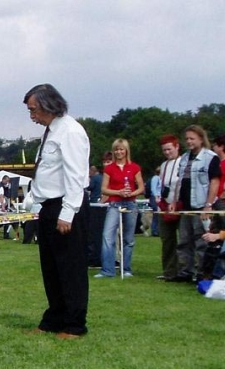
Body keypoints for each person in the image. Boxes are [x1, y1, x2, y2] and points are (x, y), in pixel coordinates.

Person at [24, 83, 90, 339]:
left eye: (34, 110)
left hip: (66, 207)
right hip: (48, 207)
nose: (32, 117)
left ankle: (75, 325)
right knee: (51, 269)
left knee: (70, 269)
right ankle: (53, 319)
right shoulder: (51, 132)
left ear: (48, 105)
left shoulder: (71, 132)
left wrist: (68, 212)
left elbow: (76, 176)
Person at [169, 125, 221, 283]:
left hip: (201, 205)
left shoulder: (210, 157)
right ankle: (185, 271)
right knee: (184, 240)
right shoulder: (184, 158)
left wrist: (208, 204)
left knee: (201, 240)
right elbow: (179, 182)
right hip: (186, 206)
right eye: (187, 139)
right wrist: (174, 201)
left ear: (200, 138)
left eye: (192, 138)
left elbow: (214, 182)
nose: (189, 142)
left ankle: (201, 272)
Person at [94, 139, 144, 278]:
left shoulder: (134, 167)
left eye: (121, 149)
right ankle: (108, 270)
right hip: (114, 204)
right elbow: (104, 188)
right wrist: (118, 192)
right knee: (107, 236)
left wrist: (131, 193)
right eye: (116, 149)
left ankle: (126, 268)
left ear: (126, 150)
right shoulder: (109, 168)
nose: (119, 152)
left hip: (130, 204)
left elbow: (141, 187)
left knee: (128, 238)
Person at [157, 134, 182, 281]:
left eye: (169, 149)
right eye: (164, 150)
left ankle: (183, 270)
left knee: (183, 239)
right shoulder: (164, 165)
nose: (167, 152)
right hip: (165, 205)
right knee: (167, 240)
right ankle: (169, 271)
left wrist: (175, 201)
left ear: (177, 147)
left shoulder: (182, 162)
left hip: (179, 205)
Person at [148, 166, 161, 237]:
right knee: (156, 214)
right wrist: (156, 197)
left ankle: (158, 230)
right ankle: (154, 230)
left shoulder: (161, 178)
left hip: (160, 197)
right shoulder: (155, 178)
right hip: (155, 197)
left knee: (159, 215)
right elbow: (153, 188)